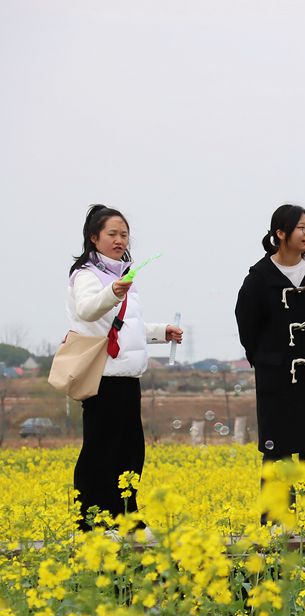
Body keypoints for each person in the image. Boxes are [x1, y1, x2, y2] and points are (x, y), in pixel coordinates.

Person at [235, 204, 305, 532]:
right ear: (280, 233)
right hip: (278, 375)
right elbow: (247, 326)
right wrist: (268, 359)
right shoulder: (260, 278)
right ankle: (276, 521)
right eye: (301, 227)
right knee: (279, 447)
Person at [67, 204, 182, 530]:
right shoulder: (87, 275)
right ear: (94, 237)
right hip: (102, 377)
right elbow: (87, 310)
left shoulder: (121, 275)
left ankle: (126, 517)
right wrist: (112, 292)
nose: (119, 240)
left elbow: (126, 326)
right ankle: (91, 523)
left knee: (130, 452)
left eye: (124, 234)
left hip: (127, 376)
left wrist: (160, 332)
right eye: (112, 234)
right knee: (100, 451)